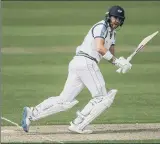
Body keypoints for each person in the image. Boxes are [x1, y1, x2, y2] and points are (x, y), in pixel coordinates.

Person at [21, 5, 132, 134]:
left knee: (64, 100)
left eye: (119, 19)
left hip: (80, 63)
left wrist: (122, 63)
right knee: (102, 98)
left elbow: (110, 55)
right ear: (109, 17)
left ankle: (32, 113)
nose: (116, 21)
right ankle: (78, 124)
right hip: (86, 62)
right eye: (114, 18)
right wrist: (116, 61)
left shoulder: (113, 34)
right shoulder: (101, 26)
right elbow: (99, 48)